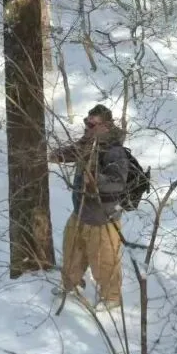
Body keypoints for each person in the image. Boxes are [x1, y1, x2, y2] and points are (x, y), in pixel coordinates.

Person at [50, 104, 129, 309]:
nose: (87, 126)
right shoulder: (88, 143)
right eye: (87, 122)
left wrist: (96, 180)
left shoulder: (114, 151)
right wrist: (56, 155)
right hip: (80, 212)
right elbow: (73, 152)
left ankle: (111, 298)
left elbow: (118, 182)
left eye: (92, 124)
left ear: (105, 125)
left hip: (103, 218)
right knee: (72, 252)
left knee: (104, 260)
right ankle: (71, 285)